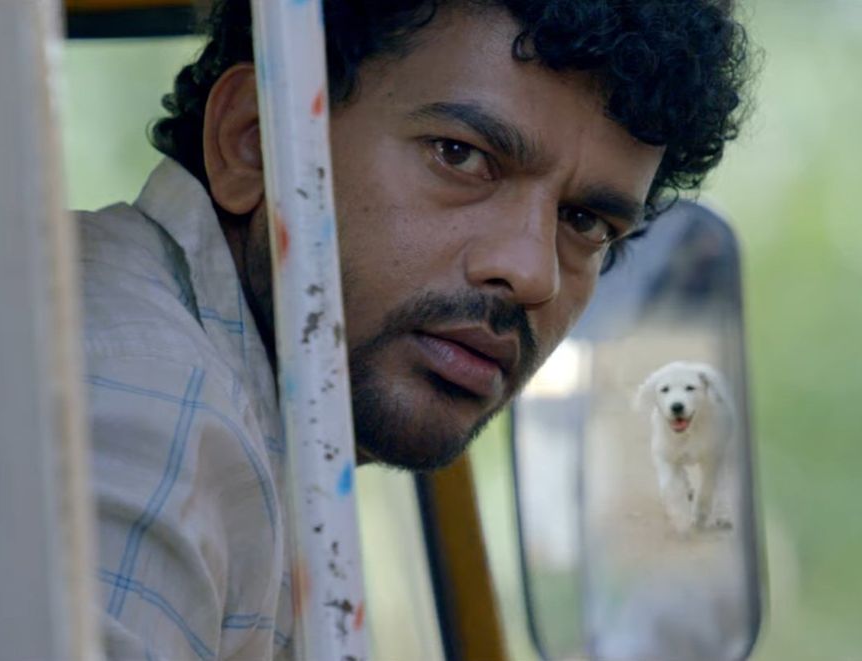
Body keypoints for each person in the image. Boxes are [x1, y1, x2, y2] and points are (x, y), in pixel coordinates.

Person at [79, 0, 753, 657]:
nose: (531, 273)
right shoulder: (143, 404)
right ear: (254, 142)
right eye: (461, 156)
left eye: (585, 222)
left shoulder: (242, 424)